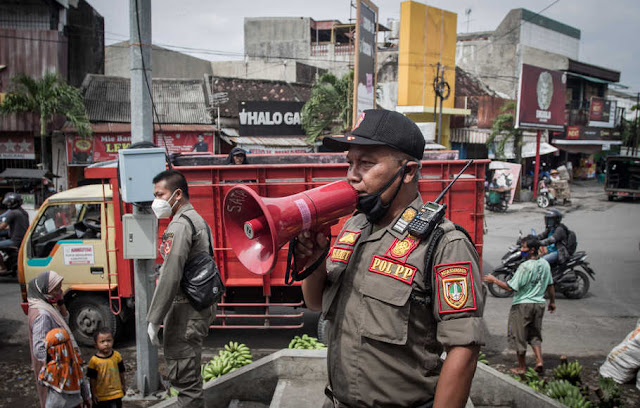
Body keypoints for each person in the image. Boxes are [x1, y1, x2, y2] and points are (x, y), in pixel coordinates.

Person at [296, 109, 485, 408]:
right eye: (350, 163)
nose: (351, 176)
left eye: (366, 164)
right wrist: (314, 258)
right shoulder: (353, 227)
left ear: (408, 171)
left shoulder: (445, 243)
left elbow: (464, 350)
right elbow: (317, 303)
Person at [147, 170, 214, 408]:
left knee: (185, 380)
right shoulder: (197, 219)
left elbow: (170, 273)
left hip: (184, 311)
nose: (156, 201)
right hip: (194, 308)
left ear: (176, 194)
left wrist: (154, 318)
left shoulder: (180, 224)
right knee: (188, 376)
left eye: (159, 194)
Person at [484, 235, 555, 375]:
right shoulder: (545, 264)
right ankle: (539, 361)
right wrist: (552, 302)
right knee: (535, 334)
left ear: (532, 250)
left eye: (524, 247)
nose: (522, 250)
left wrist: (494, 280)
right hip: (539, 304)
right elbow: (550, 285)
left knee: (519, 336)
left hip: (523, 305)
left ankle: (521, 367)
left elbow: (511, 287)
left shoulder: (525, 267)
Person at [27, 270, 88, 407]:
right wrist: (61, 361)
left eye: (60, 288)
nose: (59, 292)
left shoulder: (46, 305)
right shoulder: (42, 315)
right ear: (44, 290)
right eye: (55, 289)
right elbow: (39, 350)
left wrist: (61, 304)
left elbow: (64, 321)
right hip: (58, 376)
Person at [39, 327, 91, 408]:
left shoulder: (51, 368)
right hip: (75, 404)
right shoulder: (76, 366)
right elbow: (83, 384)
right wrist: (86, 399)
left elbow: (41, 380)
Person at [87, 327, 126, 408]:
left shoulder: (117, 356)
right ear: (96, 345)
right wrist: (93, 393)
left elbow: (121, 372)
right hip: (101, 396)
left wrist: (123, 385)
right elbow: (92, 379)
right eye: (102, 342)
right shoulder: (94, 361)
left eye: (108, 340)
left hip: (116, 394)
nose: (106, 344)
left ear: (113, 341)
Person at [0, 192, 29, 274]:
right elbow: (11, 226)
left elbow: (2, 227)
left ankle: (3, 267)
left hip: (15, 241)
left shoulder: (12, 213)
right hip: (22, 239)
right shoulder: (23, 212)